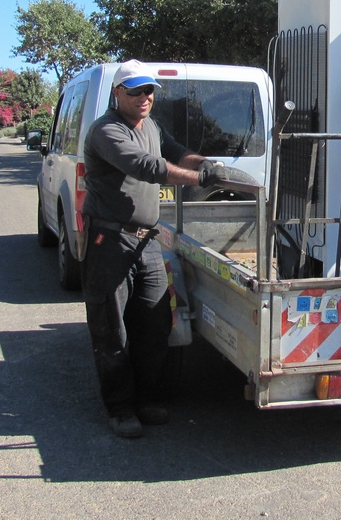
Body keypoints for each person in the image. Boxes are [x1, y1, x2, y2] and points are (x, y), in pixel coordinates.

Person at [82, 58, 233, 438]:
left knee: (154, 323)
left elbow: (177, 151)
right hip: (109, 240)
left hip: (146, 239)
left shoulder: (149, 125)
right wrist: (199, 178)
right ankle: (120, 408)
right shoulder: (106, 132)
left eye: (149, 89)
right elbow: (148, 166)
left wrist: (208, 164)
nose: (145, 97)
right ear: (118, 94)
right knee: (111, 328)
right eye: (136, 90)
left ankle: (148, 399)